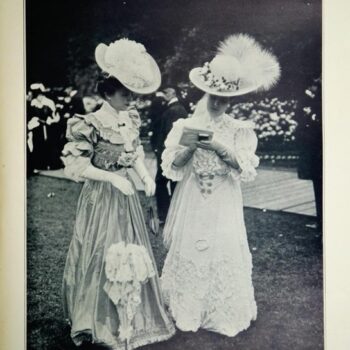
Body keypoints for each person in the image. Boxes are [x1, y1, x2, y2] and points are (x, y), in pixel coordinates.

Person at [160, 34, 280, 336]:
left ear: (231, 100)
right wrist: (190, 146)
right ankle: (187, 306)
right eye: (212, 97)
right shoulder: (184, 125)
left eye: (223, 99)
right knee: (192, 247)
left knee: (222, 247)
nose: (217, 103)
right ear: (204, 94)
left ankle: (222, 307)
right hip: (193, 196)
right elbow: (172, 166)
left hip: (224, 197)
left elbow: (246, 167)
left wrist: (219, 148)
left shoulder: (240, 130)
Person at [61, 38, 175, 349]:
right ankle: (99, 317)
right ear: (108, 92)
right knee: (101, 252)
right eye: (125, 94)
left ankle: (130, 314)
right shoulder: (91, 122)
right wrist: (112, 180)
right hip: (101, 198)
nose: (131, 100)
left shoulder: (130, 119)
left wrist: (143, 175)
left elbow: (133, 152)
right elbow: (77, 165)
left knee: (129, 254)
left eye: (133, 94)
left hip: (127, 199)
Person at [151, 87, 188, 221]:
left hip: (169, 152)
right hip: (170, 152)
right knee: (172, 182)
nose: (164, 94)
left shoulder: (175, 110)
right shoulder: (174, 108)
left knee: (162, 182)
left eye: (166, 92)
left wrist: (162, 151)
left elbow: (171, 134)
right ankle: (172, 214)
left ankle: (166, 215)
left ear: (173, 93)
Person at [296, 77, 322, 231]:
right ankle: (321, 221)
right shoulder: (309, 101)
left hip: (319, 151)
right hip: (315, 152)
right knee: (319, 188)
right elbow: (300, 117)